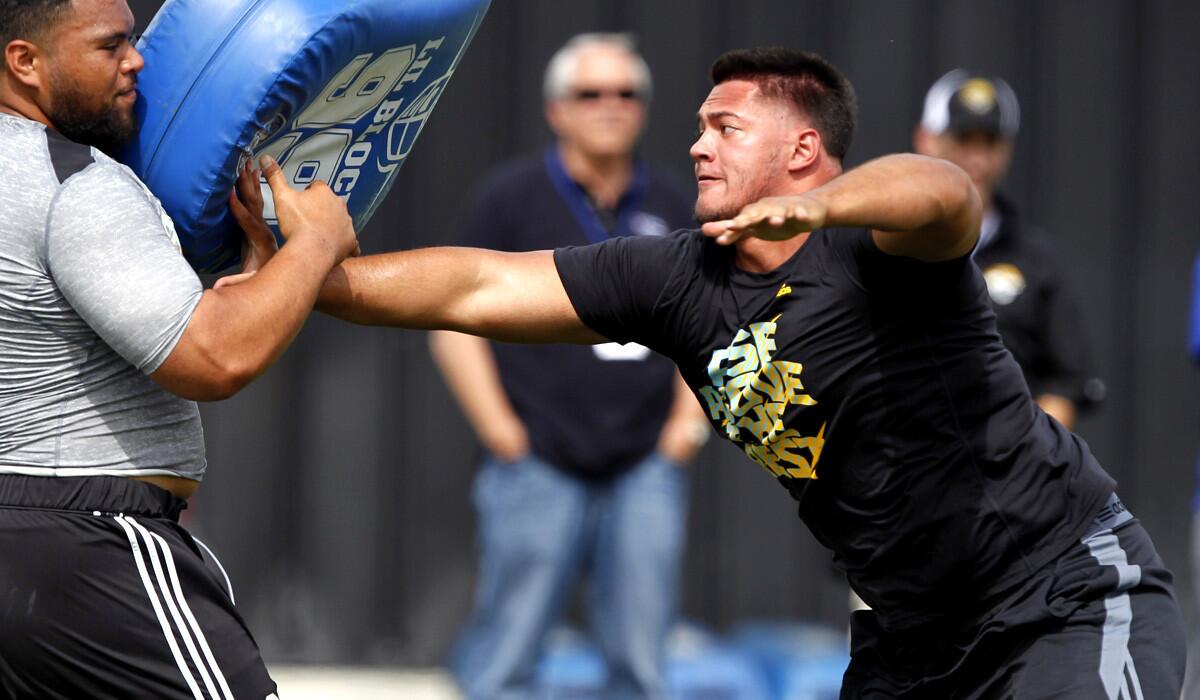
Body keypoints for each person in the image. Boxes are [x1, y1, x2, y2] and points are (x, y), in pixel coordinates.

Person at [239, 46, 1185, 697]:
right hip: (913, 641)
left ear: (803, 149)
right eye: (699, 125)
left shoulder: (879, 249)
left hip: (1062, 598)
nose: (695, 143)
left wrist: (819, 214)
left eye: (725, 127)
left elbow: (944, 191)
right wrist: (315, 272)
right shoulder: (675, 276)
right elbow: (480, 285)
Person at [0, 0, 358, 697]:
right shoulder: (74, 184)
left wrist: (261, 279)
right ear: (26, 63)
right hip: (89, 546)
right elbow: (214, 358)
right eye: (110, 46)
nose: (137, 61)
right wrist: (316, 243)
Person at [430, 33, 706, 700]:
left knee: (641, 663)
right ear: (557, 109)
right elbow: (450, 317)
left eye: (626, 92)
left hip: (644, 463)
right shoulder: (511, 198)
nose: (610, 105)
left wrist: (684, 429)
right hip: (538, 460)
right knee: (507, 658)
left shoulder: (676, 202)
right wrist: (502, 431)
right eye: (591, 93)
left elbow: (711, 323)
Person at [913, 69, 1105, 430]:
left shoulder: (1035, 260)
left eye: (990, 142)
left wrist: (1023, 451)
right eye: (963, 139)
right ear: (926, 140)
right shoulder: (886, 243)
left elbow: (1068, 380)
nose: (977, 159)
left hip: (1000, 470)